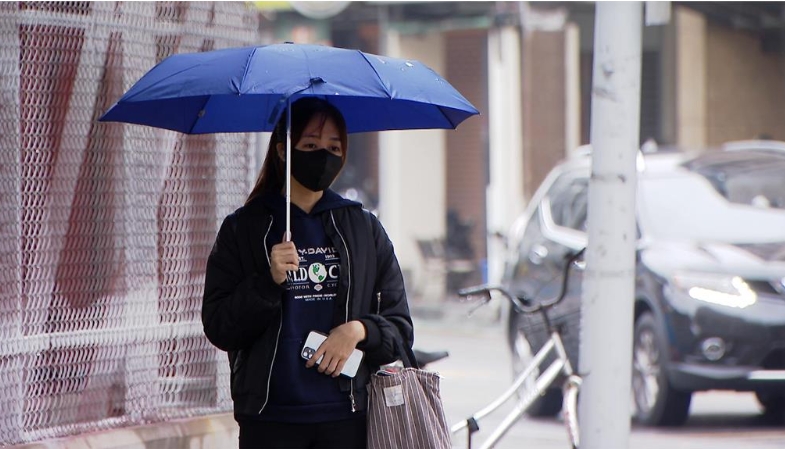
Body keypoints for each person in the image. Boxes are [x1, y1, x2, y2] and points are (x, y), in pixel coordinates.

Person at [201, 97, 414, 449]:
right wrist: (267, 283)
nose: (324, 156)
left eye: (334, 147)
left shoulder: (364, 229)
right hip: (269, 419)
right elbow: (219, 326)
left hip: (348, 418)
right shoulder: (244, 229)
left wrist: (357, 330)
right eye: (311, 145)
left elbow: (400, 329)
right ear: (284, 151)